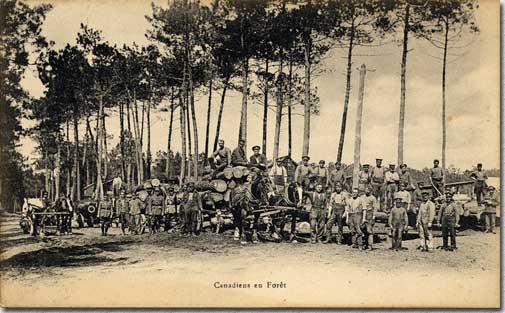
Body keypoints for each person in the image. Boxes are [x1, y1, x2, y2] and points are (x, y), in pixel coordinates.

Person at [231, 174, 260, 244]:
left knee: (256, 216)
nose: (249, 179)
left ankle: (254, 233)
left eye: (250, 177)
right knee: (242, 215)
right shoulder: (242, 187)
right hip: (244, 203)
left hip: (253, 202)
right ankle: (241, 232)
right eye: (248, 177)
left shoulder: (255, 187)